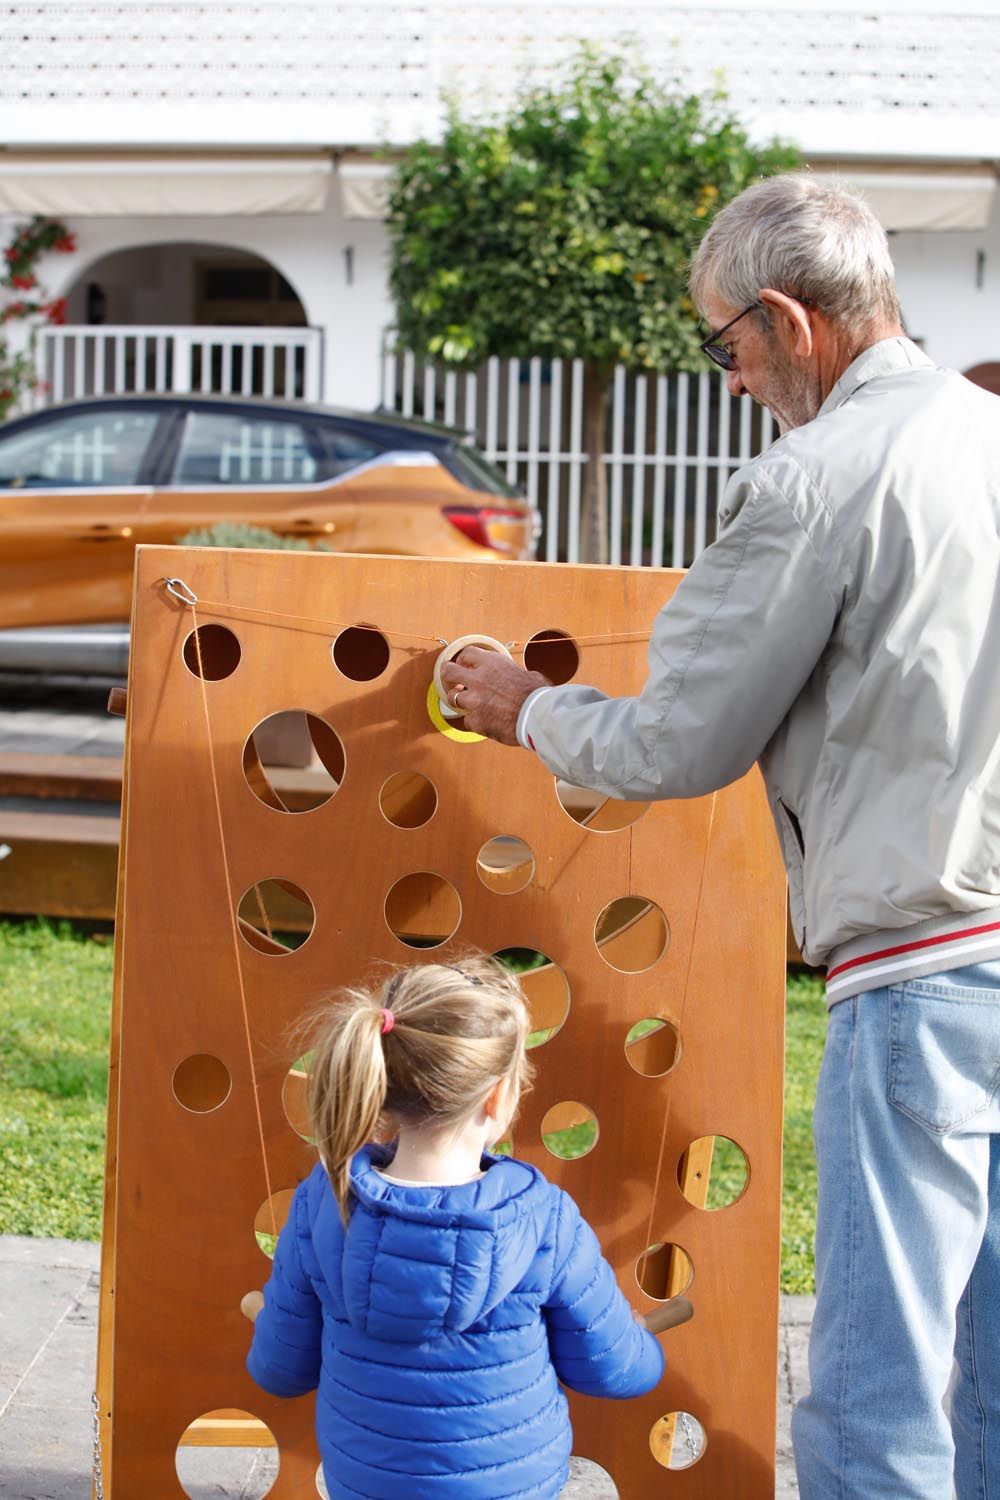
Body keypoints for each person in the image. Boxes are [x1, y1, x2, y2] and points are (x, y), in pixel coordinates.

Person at [440, 173, 1000, 1500]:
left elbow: (677, 743)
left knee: (877, 1391)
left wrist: (525, 706)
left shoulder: (819, 478)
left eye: (725, 345)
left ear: (788, 318)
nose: (732, 378)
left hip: (927, 970)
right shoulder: (986, 433)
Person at [245, 956, 664, 1499]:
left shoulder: (325, 1204)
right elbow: (612, 1371)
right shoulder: (542, 1220)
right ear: (497, 1097)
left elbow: (282, 1370)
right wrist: (639, 1342)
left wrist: (266, 1324)